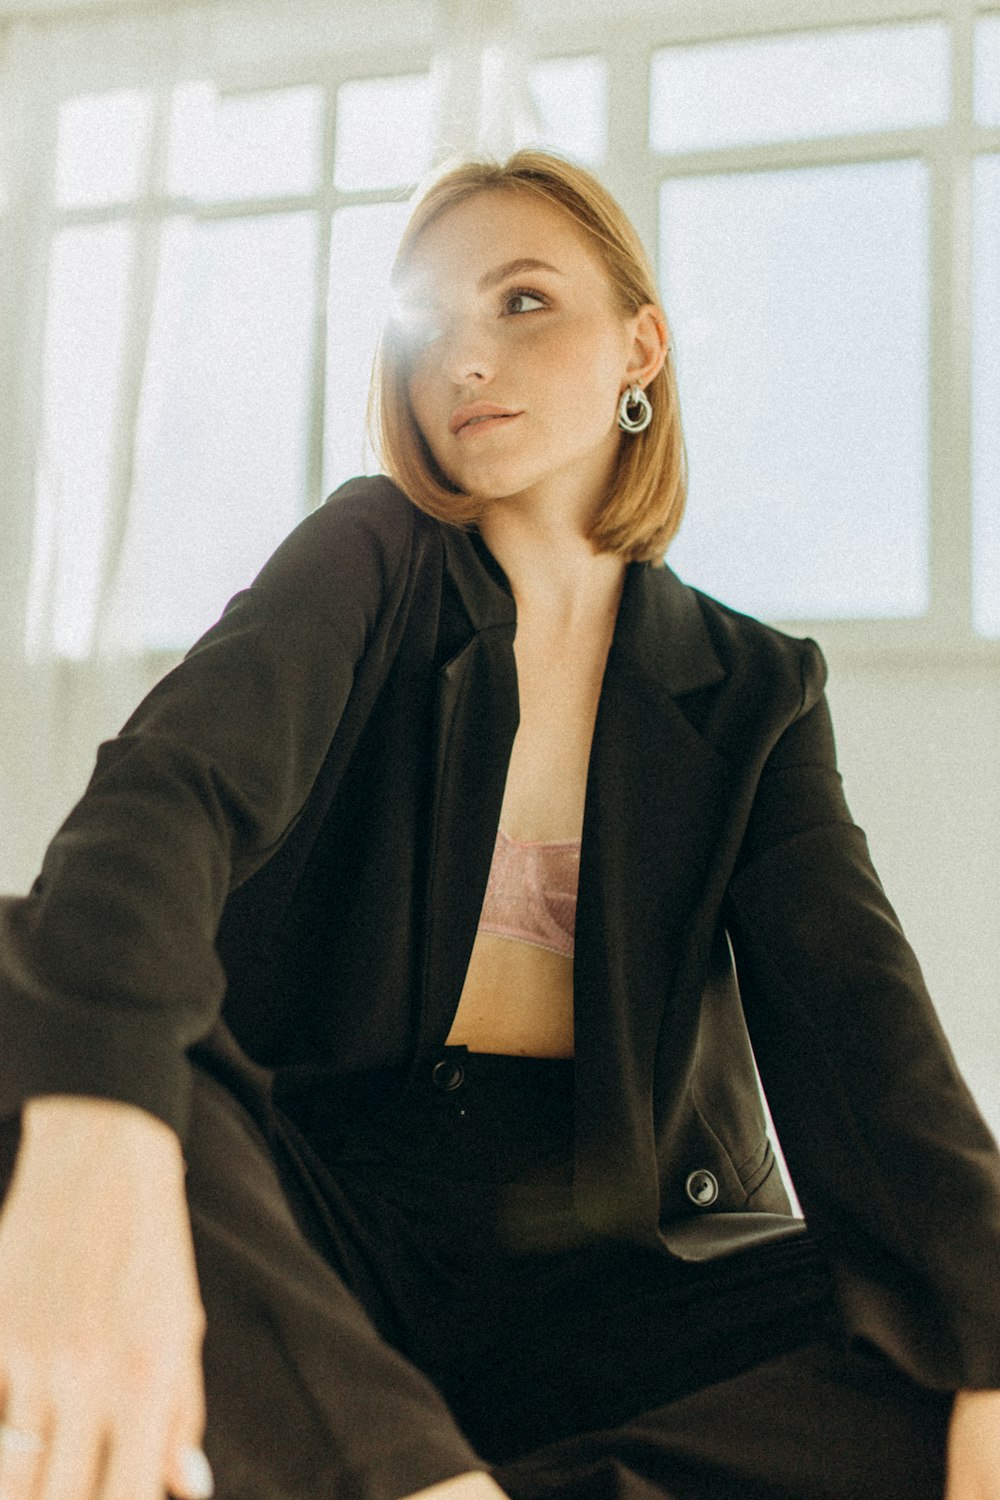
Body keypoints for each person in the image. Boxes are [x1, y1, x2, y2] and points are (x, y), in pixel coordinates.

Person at [0, 146, 998, 1500]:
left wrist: (989, 1344)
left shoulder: (756, 690)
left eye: (525, 301)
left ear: (641, 344)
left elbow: (865, 1032)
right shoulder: (373, 556)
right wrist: (101, 1125)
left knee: (939, 1326)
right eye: (433, 326)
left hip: (606, 1279)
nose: (467, 357)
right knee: (39, 965)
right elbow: (166, 797)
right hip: (318, 1231)